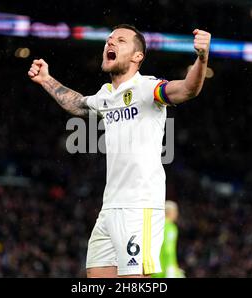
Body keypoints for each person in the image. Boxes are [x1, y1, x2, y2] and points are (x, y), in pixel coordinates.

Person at [28, 24, 211, 278]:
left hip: (140, 207)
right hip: (109, 208)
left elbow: (188, 89)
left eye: (121, 41)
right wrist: (46, 79)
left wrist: (202, 57)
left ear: (138, 57)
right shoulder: (106, 95)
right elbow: (79, 105)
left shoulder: (148, 88)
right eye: (109, 40)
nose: (110, 44)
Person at [152, 200, 185, 278]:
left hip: (153, 268)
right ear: (171, 212)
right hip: (164, 268)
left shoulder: (156, 225)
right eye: (176, 211)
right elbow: (168, 249)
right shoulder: (170, 227)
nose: (177, 214)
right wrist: (171, 267)